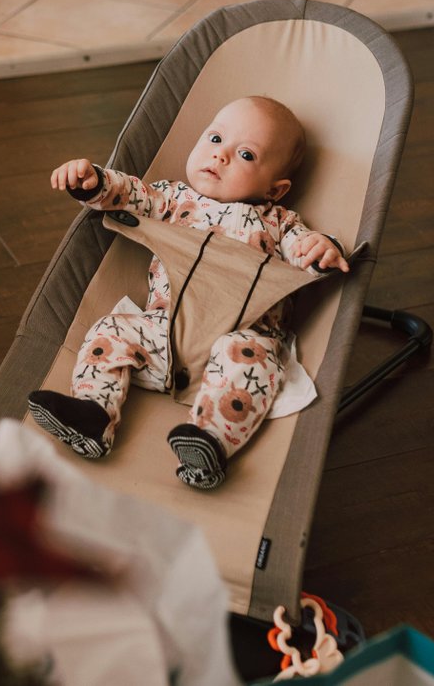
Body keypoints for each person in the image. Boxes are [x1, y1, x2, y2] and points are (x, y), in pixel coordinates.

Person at [28, 96, 349, 490]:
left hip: (239, 338)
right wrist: (94, 180)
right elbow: (130, 194)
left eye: (246, 154)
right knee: (111, 329)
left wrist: (321, 249)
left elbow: (305, 251)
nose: (221, 155)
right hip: (164, 334)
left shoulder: (279, 222)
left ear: (275, 189)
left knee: (255, 358)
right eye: (215, 138)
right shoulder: (174, 199)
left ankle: (209, 442)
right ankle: (93, 414)